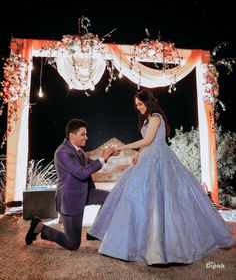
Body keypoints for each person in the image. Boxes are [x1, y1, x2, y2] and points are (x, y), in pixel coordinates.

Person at [87, 89, 234, 265]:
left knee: (165, 200)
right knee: (137, 196)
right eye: (137, 105)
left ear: (148, 102)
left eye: (140, 104)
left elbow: (149, 140)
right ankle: (135, 242)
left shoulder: (156, 117)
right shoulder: (148, 118)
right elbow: (147, 143)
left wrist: (123, 147)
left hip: (160, 158)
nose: (138, 108)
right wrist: (138, 153)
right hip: (148, 157)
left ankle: (168, 248)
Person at [25, 118, 115, 250]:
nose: (87, 137)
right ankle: (39, 227)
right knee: (72, 244)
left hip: (85, 192)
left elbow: (89, 163)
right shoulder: (62, 153)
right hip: (70, 199)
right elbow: (81, 173)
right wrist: (102, 158)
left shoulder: (78, 149)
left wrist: (108, 155)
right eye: (83, 134)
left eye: (86, 134)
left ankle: (94, 231)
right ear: (72, 135)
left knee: (110, 198)